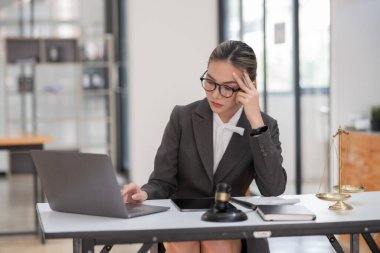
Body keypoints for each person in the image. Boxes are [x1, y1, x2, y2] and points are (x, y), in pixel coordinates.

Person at [121, 40, 287, 253]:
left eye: (227, 87)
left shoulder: (264, 126)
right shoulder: (182, 117)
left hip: (229, 221)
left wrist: (255, 120)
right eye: (210, 81)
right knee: (184, 241)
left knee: (217, 243)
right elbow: (162, 181)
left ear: (250, 86)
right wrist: (143, 194)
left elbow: (273, 189)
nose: (215, 94)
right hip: (180, 219)